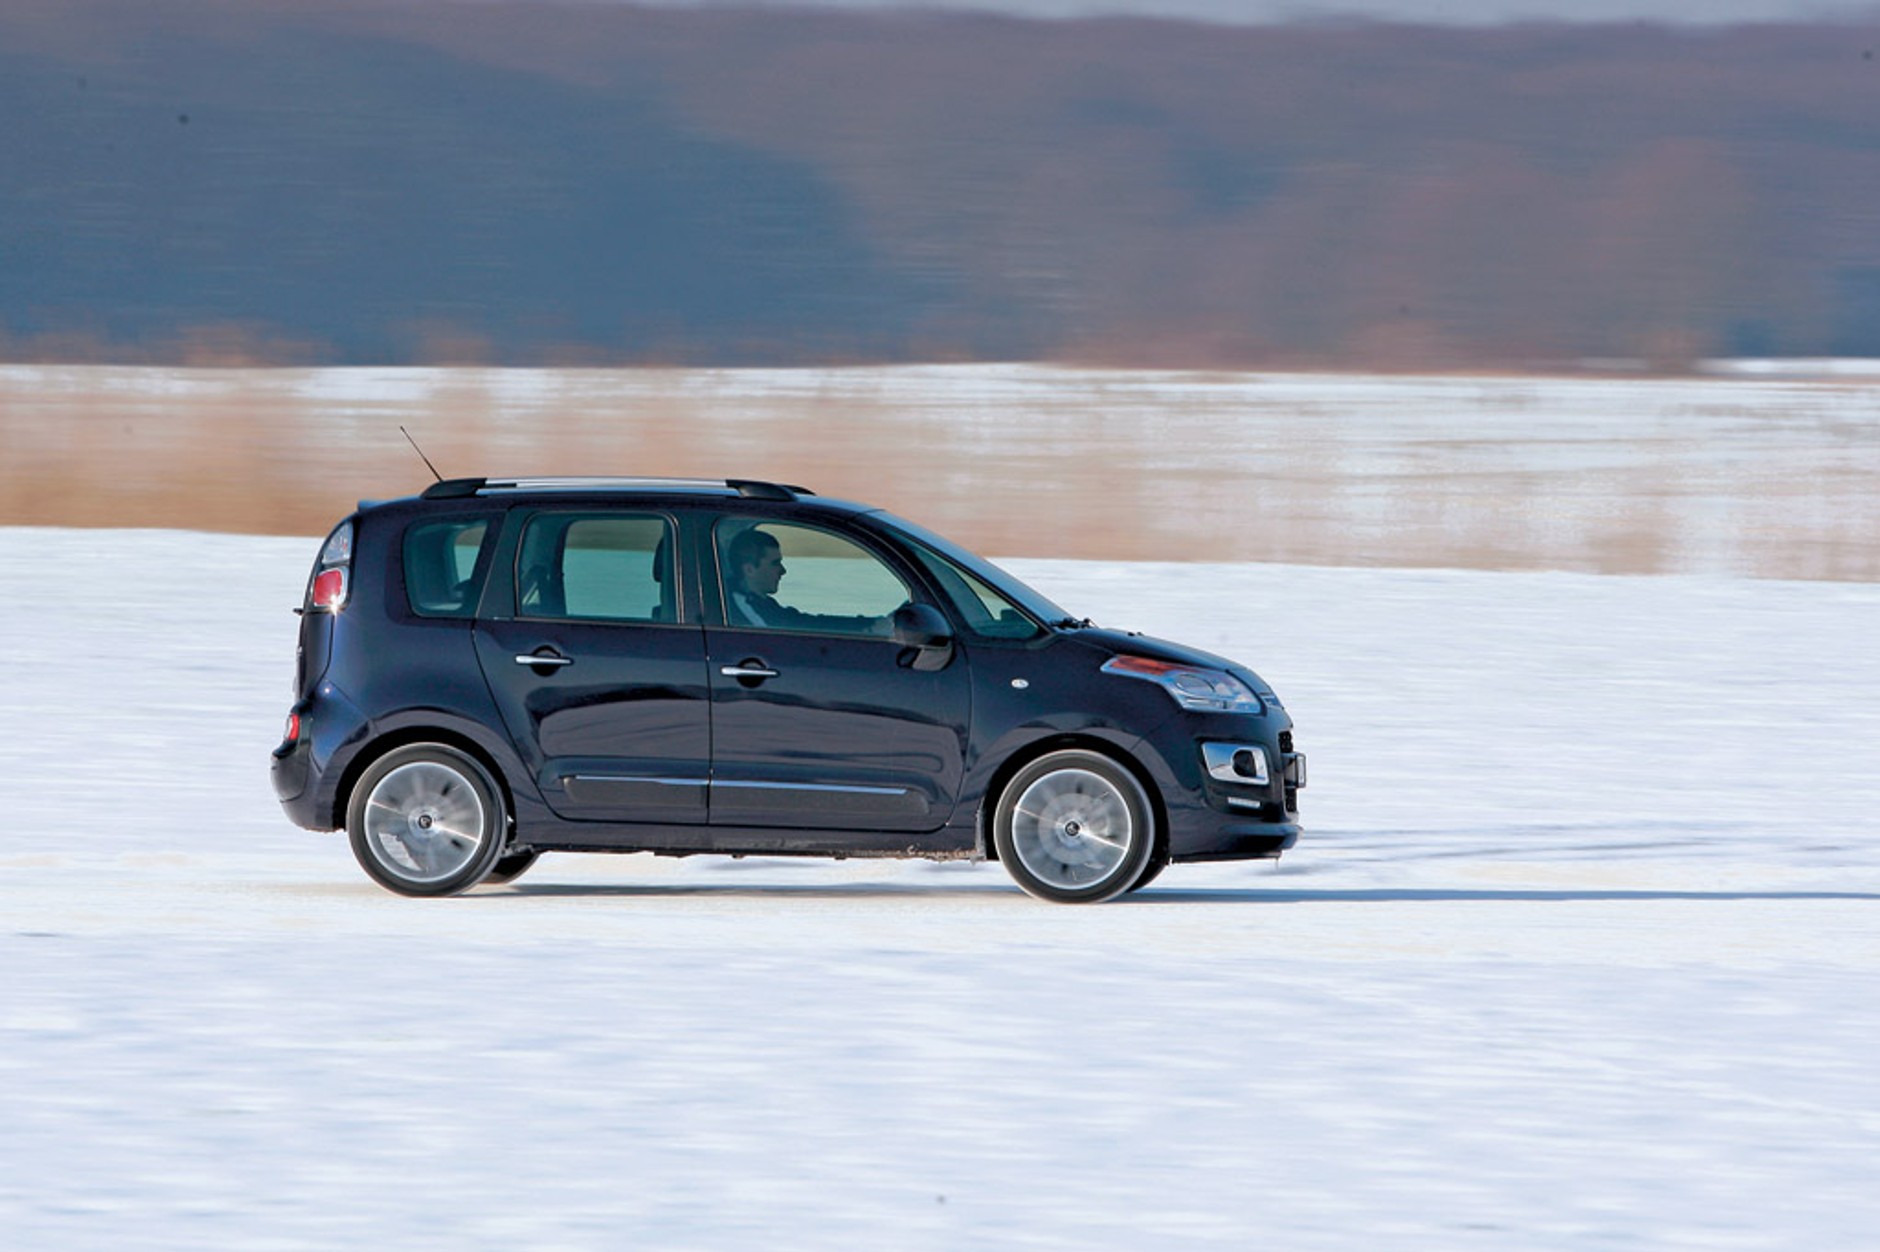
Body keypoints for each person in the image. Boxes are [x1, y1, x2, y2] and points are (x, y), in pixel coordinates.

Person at [724, 527, 892, 635]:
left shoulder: (762, 603)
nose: (783, 571)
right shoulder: (742, 610)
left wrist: (869, 625)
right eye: (775, 563)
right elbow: (785, 638)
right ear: (749, 570)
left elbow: (804, 622)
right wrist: (869, 629)